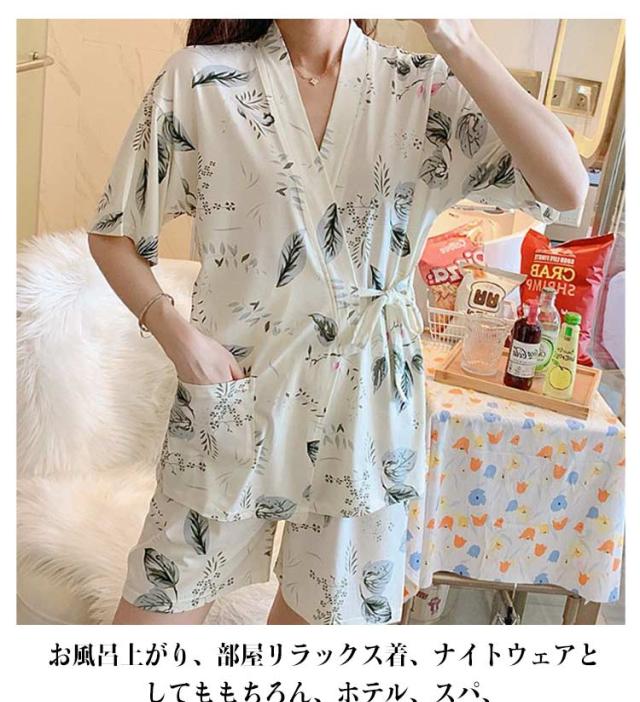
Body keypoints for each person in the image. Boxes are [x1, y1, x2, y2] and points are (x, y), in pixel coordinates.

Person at [87, 18, 588, 625]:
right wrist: (179, 338)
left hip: (366, 405)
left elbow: (566, 188)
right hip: (236, 393)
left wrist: (453, 32)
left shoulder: (421, 87)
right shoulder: (201, 80)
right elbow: (113, 232)